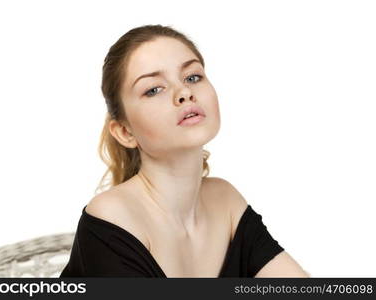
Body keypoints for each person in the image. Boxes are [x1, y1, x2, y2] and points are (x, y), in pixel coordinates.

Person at [60, 24, 309, 278]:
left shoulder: (225, 200)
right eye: (154, 89)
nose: (184, 92)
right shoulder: (113, 216)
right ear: (125, 132)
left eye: (192, 77)